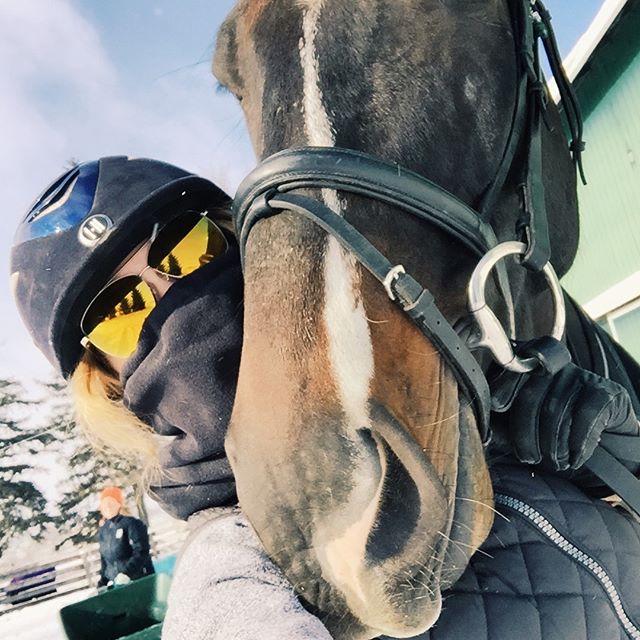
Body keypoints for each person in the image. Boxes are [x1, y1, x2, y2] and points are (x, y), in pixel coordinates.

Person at [10, 157, 640, 639]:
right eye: (123, 309)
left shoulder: (445, 386)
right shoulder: (232, 568)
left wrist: (614, 448)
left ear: (237, 239)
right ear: (109, 380)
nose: (178, 292)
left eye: (186, 246)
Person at [97, 486, 155, 588]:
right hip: (117, 585)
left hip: (137, 580)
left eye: (111, 502)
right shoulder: (104, 530)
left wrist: (127, 573)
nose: (107, 507)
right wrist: (102, 582)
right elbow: (105, 560)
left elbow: (141, 550)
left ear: (119, 504)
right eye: (104, 504)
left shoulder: (132, 524)